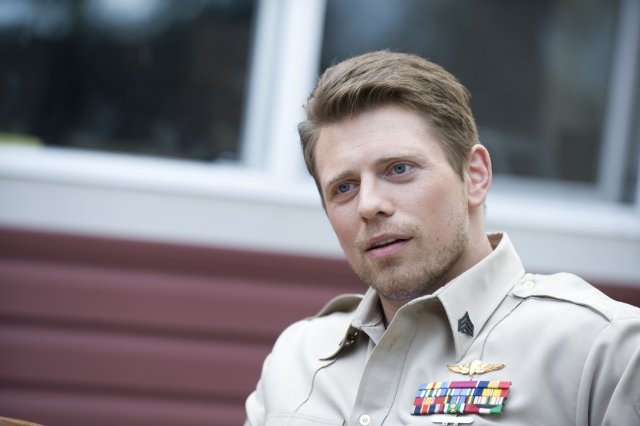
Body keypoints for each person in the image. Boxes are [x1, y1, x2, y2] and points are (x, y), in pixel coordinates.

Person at [243, 50, 640, 425]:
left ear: (475, 176)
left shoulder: (602, 349)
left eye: (399, 169)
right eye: (344, 187)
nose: (369, 205)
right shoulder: (296, 359)